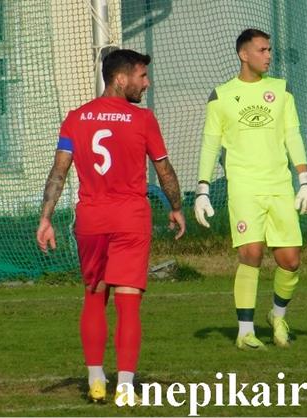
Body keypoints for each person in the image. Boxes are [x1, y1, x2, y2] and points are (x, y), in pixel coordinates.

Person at [36, 49, 185, 404]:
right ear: (120, 79)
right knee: (128, 304)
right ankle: (126, 387)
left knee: (94, 296)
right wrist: (177, 207)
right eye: (142, 76)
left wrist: (46, 218)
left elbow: (59, 172)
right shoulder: (143, 119)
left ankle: (96, 380)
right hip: (130, 219)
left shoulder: (75, 118)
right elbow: (164, 170)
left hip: (91, 221)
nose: (147, 83)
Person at [194, 28, 307, 350]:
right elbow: (210, 145)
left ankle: (277, 316)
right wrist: (202, 189)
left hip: (279, 186)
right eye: (262, 50)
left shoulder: (281, 89)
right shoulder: (221, 96)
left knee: (290, 261)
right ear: (243, 54)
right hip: (244, 188)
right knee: (250, 253)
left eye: (269, 50)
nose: (268, 56)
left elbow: (293, 135)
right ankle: (245, 333)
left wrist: (305, 179)